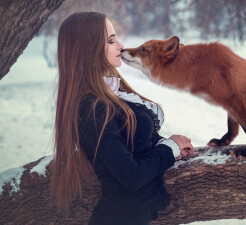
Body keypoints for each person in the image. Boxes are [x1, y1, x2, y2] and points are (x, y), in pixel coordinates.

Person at [50, 12, 194, 225]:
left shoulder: (111, 93)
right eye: (110, 40)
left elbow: (131, 143)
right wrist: (169, 149)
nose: (120, 45)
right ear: (88, 48)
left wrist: (167, 144)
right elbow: (130, 177)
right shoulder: (92, 106)